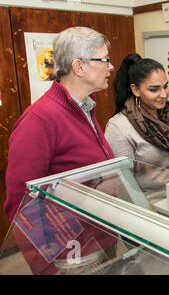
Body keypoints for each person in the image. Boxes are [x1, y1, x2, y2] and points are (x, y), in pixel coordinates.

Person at [4, 26, 117, 274]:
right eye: (105, 60)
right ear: (79, 67)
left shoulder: (85, 107)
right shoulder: (39, 120)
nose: (111, 67)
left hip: (101, 238)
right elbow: (20, 203)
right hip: (73, 253)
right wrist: (46, 267)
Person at [105, 54, 169, 191]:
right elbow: (124, 183)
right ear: (135, 90)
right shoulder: (118, 127)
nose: (164, 94)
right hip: (147, 202)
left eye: (165, 86)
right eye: (154, 89)